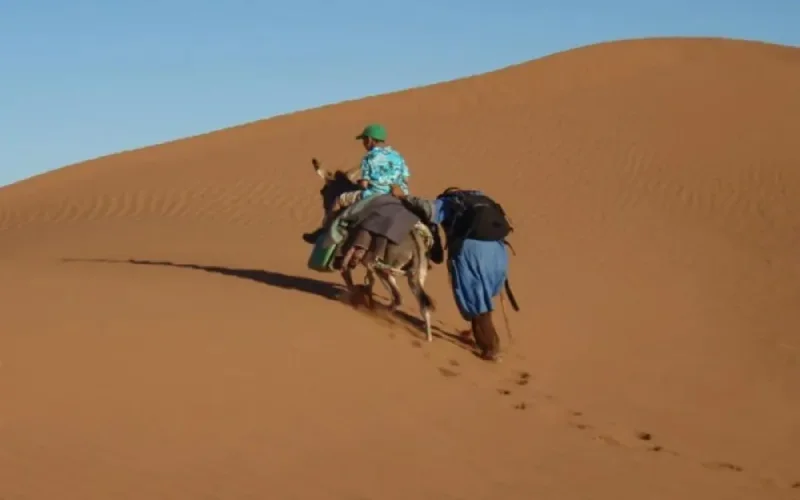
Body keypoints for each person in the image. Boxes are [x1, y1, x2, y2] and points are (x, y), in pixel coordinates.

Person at [390, 185, 516, 361]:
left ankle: (491, 348)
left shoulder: (450, 203)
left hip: (471, 251)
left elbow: (428, 209)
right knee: (482, 297)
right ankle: (479, 334)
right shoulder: (484, 201)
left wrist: (403, 197)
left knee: (476, 301)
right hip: (498, 252)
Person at [337, 123, 412, 267]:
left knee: (339, 200)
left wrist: (362, 183)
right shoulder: (397, 155)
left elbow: (364, 185)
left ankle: (330, 236)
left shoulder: (369, 157)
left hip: (375, 194)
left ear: (370, 139)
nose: (364, 143)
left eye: (364, 140)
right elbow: (406, 179)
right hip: (400, 196)